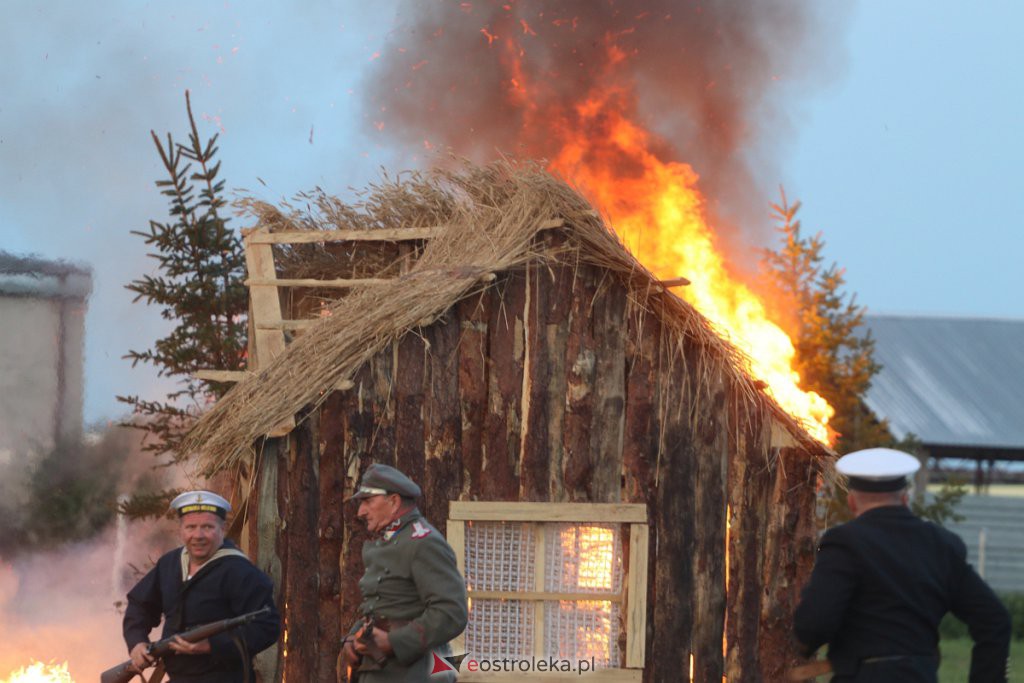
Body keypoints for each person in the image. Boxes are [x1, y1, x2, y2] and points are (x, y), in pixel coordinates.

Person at [793, 448, 1011, 682]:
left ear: (852, 502)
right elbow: (995, 620)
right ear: (905, 499)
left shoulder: (845, 542)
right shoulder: (942, 544)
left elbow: (815, 623)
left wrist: (802, 644)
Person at [122, 490, 281, 683]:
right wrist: (137, 642)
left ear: (222, 528)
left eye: (207, 527)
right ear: (181, 530)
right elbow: (140, 605)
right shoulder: (170, 564)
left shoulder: (240, 571)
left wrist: (211, 645)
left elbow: (268, 625)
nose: (198, 535)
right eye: (191, 527)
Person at [339, 463, 468, 682]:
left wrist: (394, 642)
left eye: (368, 502)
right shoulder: (391, 541)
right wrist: (354, 636)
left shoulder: (423, 542)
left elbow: (451, 611)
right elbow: (382, 606)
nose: (361, 512)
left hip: (416, 673)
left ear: (394, 501)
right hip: (383, 670)